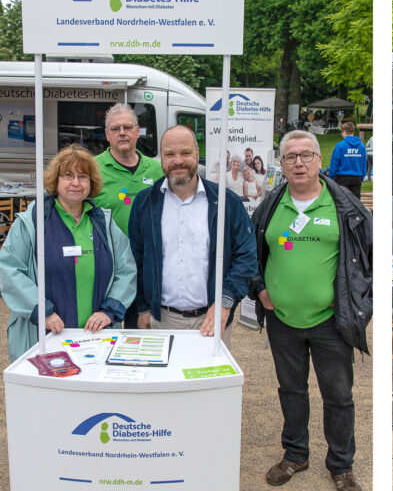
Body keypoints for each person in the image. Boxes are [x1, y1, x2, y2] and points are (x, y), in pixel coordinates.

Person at [249, 130, 372, 491]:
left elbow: (369, 259)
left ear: (320, 160)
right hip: (283, 320)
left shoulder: (346, 206)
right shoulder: (269, 206)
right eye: (290, 157)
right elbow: (250, 253)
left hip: (329, 322)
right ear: (281, 164)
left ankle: (341, 465)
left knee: (338, 395)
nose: (298, 163)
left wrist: (354, 301)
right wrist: (259, 288)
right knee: (291, 389)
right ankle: (295, 455)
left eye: (306, 155)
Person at [0, 145, 136, 361]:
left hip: (94, 338)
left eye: (83, 176)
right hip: (44, 336)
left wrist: (108, 311)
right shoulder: (33, 221)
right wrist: (42, 310)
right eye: (68, 176)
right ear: (56, 181)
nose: (76, 182)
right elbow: (9, 269)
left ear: (91, 183)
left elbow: (126, 271)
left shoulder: (104, 223)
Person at [128, 126, 257, 347]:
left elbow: (246, 256)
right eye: (169, 154)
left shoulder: (226, 202)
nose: (178, 160)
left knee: (209, 381)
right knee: (165, 381)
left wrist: (226, 301)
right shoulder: (144, 203)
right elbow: (136, 260)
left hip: (211, 319)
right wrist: (143, 307)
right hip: (160, 321)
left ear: (197, 154)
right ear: (161, 157)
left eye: (185, 153)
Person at [92, 102, 163, 327]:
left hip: (145, 270)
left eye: (127, 127)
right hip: (107, 269)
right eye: (115, 128)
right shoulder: (93, 170)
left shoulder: (156, 170)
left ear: (137, 130)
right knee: (103, 335)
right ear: (107, 134)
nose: (122, 133)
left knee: (139, 336)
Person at [327, 121, 367, 198]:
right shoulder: (361, 146)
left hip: (343, 177)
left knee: (342, 200)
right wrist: (362, 177)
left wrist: (331, 177)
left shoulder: (340, 145)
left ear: (344, 131)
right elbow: (364, 164)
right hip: (357, 177)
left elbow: (334, 163)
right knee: (355, 201)